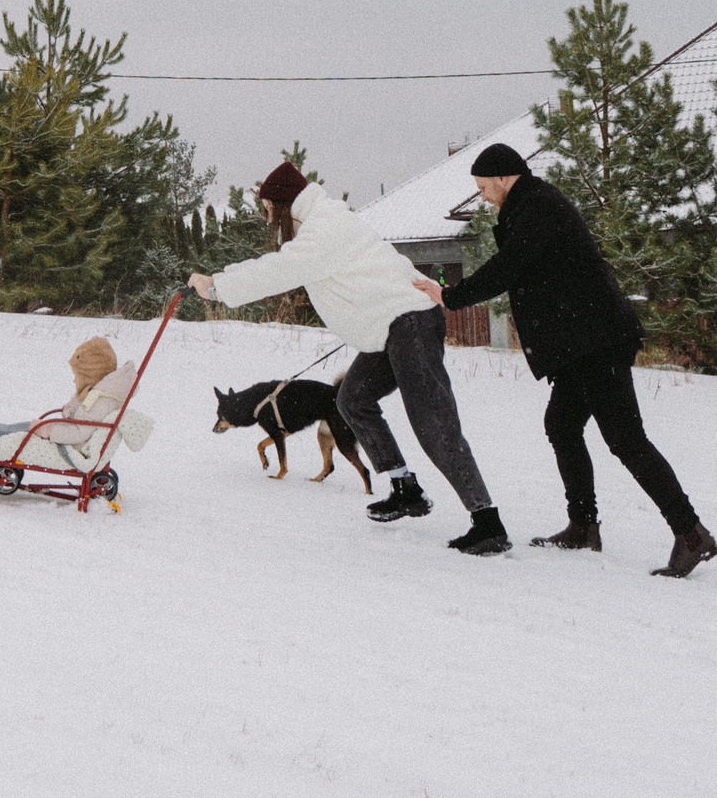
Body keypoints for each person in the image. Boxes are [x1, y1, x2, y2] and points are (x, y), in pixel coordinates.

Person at [416, 143, 717, 578]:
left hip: (596, 340)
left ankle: (691, 534)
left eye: (484, 186)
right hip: (580, 342)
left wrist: (450, 295)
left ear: (503, 178)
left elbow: (509, 266)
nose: (482, 195)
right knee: (562, 426)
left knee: (626, 440)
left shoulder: (537, 206)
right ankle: (583, 526)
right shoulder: (528, 205)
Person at [189, 160, 509, 555]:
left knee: (434, 424)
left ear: (284, 204)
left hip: (410, 325)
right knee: (352, 399)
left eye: (269, 209)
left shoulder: (324, 228)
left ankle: (488, 522)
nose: (268, 218)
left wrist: (218, 286)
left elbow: (279, 269)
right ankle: (404, 487)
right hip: (390, 331)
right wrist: (218, 278)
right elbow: (283, 263)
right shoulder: (316, 226)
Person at [0, 336, 155, 469]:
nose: (74, 381)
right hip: (67, 439)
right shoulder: (100, 394)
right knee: (28, 426)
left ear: (90, 376)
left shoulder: (100, 400)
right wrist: (70, 409)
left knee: (26, 433)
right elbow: (82, 419)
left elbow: (80, 432)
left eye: (77, 377)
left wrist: (49, 431)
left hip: (70, 448)